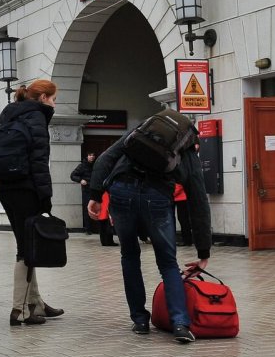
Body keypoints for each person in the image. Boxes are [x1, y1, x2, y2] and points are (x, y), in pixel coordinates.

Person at [87, 111, 212, 344]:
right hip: (157, 198)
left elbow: (105, 158)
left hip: (122, 192)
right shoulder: (186, 150)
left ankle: (140, 320)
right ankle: (180, 324)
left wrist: (95, 194)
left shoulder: (140, 133)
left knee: (130, 255)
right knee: (167, 262)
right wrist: (203, 252)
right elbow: (198, 201)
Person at [0, 79, 64, 326]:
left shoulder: (11, 115)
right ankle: (19, 309)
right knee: (26, 250)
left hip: (6, 188)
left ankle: (35, 303)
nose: (54, 104)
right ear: (43, 97)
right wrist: (45, 199)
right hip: (26, 189)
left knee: (27, 245)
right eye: (54, 99)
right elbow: (39, 163)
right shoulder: (37, 119)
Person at [70, 151, 97, 235]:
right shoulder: (82, 166)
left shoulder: (97, 165)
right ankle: (88, 229)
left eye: (93, 155)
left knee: (97, 208)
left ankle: (97, 228)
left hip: (96, 190)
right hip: (87, 191)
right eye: (90, 155)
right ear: (87, 156)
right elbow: (72, 175)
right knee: (87, 209)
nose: (92, 157)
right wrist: (80, 180)